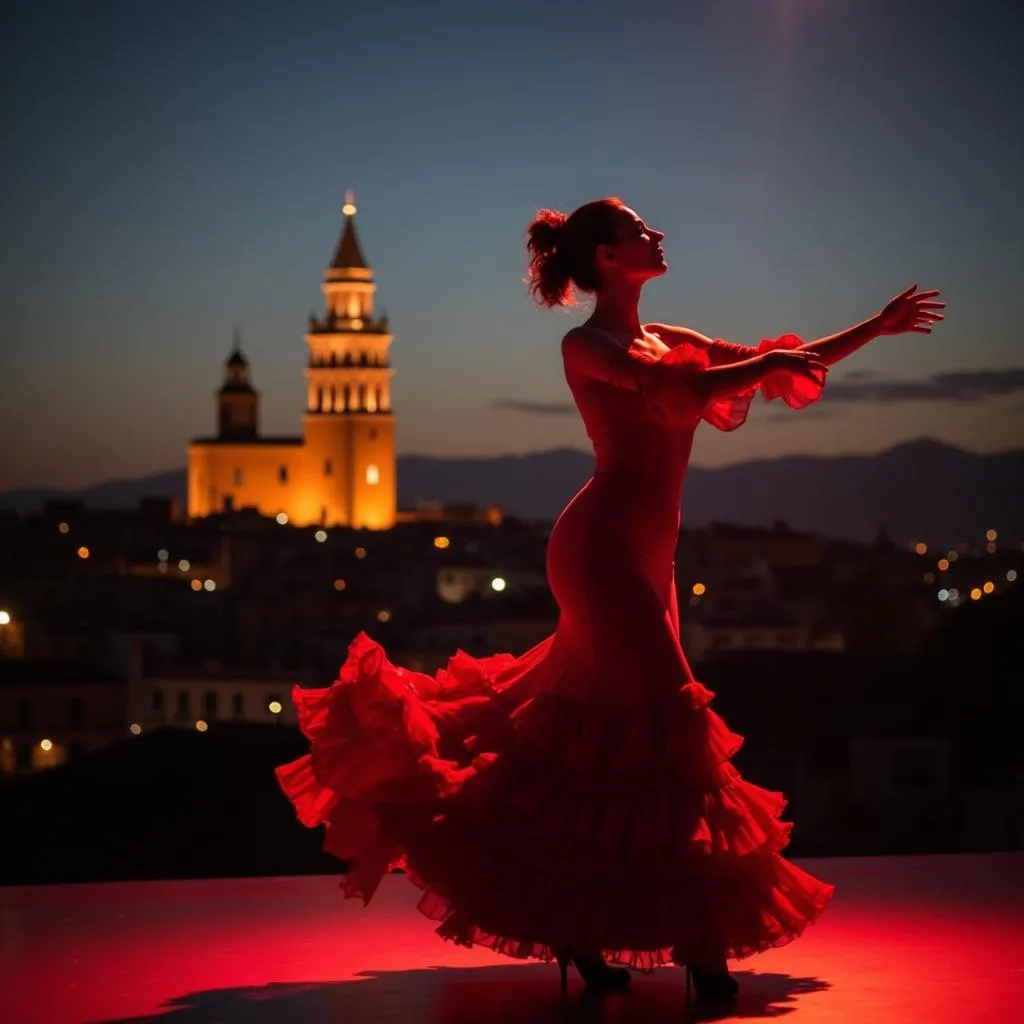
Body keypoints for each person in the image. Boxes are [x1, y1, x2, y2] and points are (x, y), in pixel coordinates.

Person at [276, 196, 944, 1004]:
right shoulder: (587, 344)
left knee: (590, 743)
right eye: (639, 231)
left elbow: (780, 367)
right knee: (671, 721)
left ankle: (577, 930)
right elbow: (672, 388)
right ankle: (704, 949)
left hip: (650, 556)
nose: (657, 235)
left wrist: (873, 325)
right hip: (598, 553)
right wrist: (762, 367)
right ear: (605, 259)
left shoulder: (680, 341)